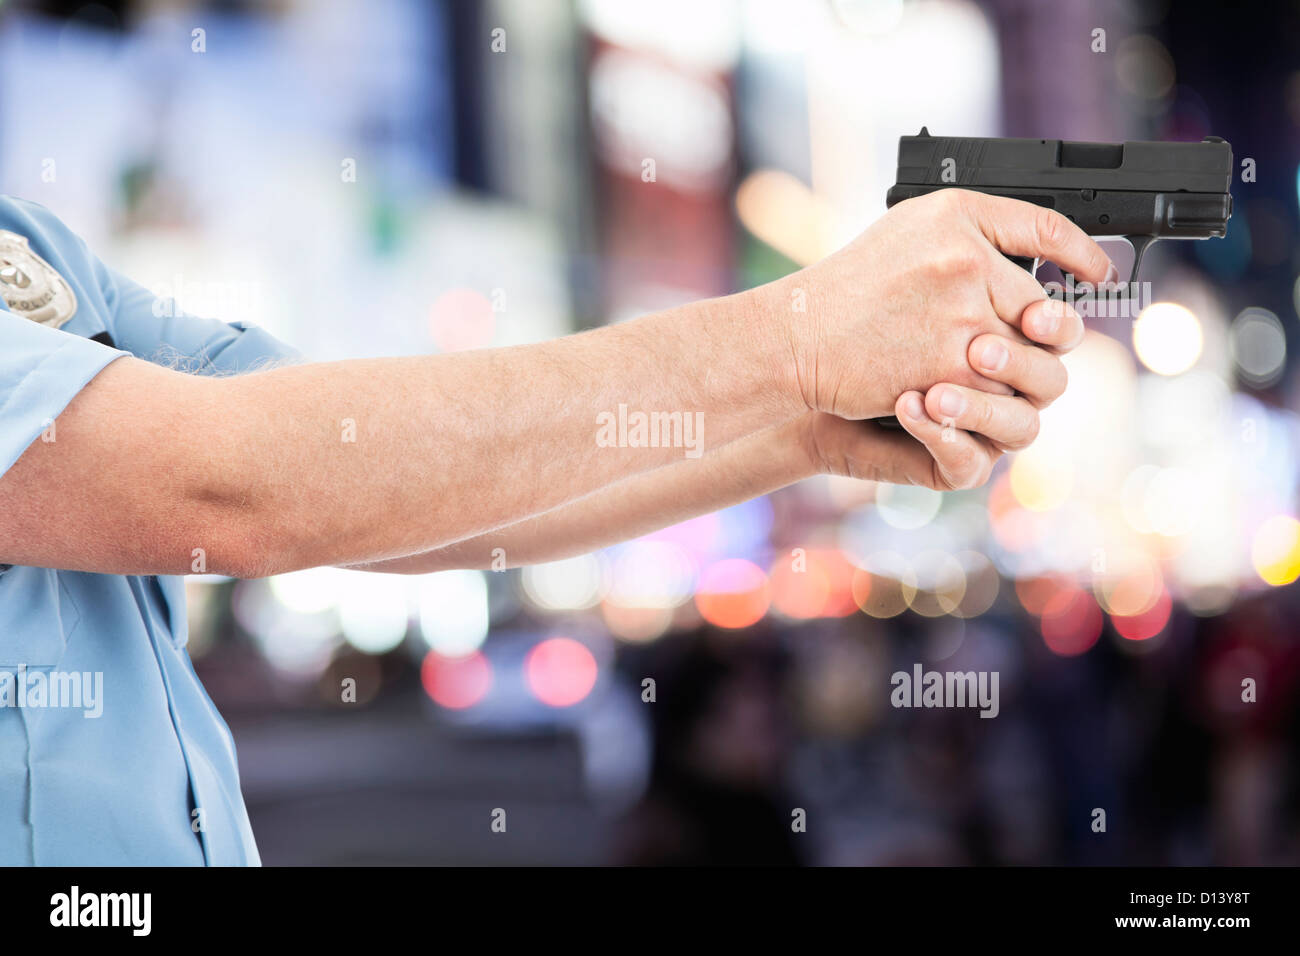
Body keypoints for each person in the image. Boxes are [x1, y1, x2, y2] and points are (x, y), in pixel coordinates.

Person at [0, 188, 1106, 864]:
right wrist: (796, 340)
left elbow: (387, 485)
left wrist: (804, 425)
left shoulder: (29, 242)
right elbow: (239, 485)